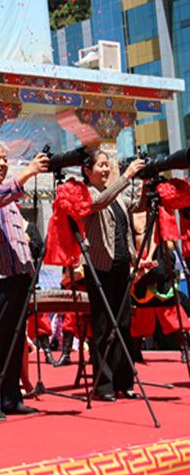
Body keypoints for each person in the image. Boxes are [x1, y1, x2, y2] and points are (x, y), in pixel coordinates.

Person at [0, 139, 49, 421]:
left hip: (18, 275)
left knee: (15, 339)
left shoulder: (10, 197)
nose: (3, 163)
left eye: (5, 159)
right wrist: (28, 172)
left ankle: (12, 397)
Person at [81, 148, 145, 400]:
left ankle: (124, 381)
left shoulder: (116, 195)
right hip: (99, 268)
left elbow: (136, 207)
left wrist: (146, 187)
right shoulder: (87, 193)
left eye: (108, 165)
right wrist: (127, 176)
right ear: (88, 171)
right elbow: (100, 202)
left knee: (124, 324)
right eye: (101, 165)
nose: (106, 169)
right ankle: (104, 385)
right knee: (103, 326)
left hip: (121, 265)